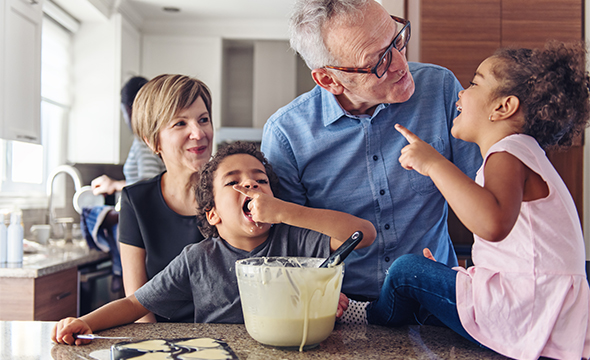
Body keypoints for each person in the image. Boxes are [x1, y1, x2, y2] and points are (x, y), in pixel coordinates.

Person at [349, 41, 590, 360]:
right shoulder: (525, 153)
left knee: (407, 270)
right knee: (433, 286)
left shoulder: (508, 152)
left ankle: (363, 318)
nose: (462, 92)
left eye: (475, 82)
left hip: (526, 307)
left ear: (503, 107)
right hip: (540, 305)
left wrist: (433, 164)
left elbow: (492, 224)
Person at [51, 141, 376, 346]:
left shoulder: (296, 239)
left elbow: (363, 234)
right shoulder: (197, 259)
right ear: (213, 214)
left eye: (260, 180)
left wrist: (287, 212)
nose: (250, 183)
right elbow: (136, 304)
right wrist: (86, 321)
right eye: (233, 182)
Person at [261, 0, 482, 300]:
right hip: (340, 309)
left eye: (397, 40)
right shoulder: (286, 135)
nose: (401, 64)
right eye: (377, 62)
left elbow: (484, 195)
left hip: (436, 297)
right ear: (329, 79)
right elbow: (291, 241)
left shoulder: (441, 89)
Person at [117, 74, 213, 323]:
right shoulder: (135, 201)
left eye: (203, 120)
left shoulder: (233, 193)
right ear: (153, 141)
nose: (198, 132)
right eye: (180, 123)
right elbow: (137, 304)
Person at [91, 76, 166, 196]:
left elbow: (148, 184)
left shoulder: (144, 140)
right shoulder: (155, 136)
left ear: (129, 109)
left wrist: (115, 185)